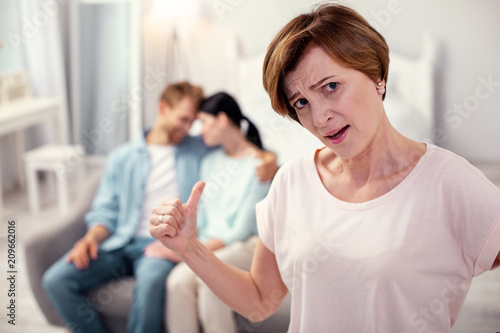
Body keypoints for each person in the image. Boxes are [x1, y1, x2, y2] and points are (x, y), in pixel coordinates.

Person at [150, 4, 500, 333]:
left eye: (331, 87)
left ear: (376, 75)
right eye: (301, 102)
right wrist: (188, 247)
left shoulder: (448, 181)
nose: (319, 118)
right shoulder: (292, 181)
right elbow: (259, 301)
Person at [42, 82, 278, 333]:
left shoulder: (198, 148)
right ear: (163, 108)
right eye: (184, 119)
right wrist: (90, 238)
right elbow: (106, 211)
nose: (188, 128)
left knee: (153, 283)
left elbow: (238, 141)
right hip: (121, 241)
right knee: (56, 280)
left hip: (161, 242)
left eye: (193, 123)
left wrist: (270, 159)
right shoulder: (122, 157)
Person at [165, 92, 270, 333]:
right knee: (176, 283)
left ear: (222, 120)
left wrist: (190, 250)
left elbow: (240, 231)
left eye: (203, 122)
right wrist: (188, 244)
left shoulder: (261, 165)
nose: (199, 130)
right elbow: (200, 218)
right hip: (207, 243)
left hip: (244, 245)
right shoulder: (209, 161)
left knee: (209, 280)